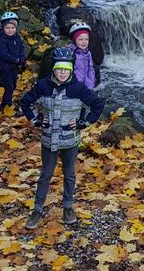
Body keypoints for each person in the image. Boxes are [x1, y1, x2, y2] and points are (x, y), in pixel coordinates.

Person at [20, 48, 104, 229]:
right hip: (49, 139)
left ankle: (68, 207)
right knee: (45, 175)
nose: (62, 73)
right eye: (59, 69)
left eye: (66, 69)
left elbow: (97, 105)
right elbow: (25, 102)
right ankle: (37, 209)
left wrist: (84, 122)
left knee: (69, 174)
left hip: (69, 140)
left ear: (71, 70)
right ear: (53, 69)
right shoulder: (43, 86)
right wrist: (35, 119)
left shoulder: (79, 89)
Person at [0, 11, 26, 111]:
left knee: (13, 86)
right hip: (5, 68)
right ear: (3, 28)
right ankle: (8, 106)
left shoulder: (17, 37)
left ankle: (3, 105)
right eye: (7, 28)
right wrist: (15, 59)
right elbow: (2, 54)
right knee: (8, 87)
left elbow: (21, 48)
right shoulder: (3, 40)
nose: (10, 30)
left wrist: (22, 58)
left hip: (14, 67)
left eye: (12, 28)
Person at [67, 21, 97, 90]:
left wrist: (91, 83)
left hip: (87, 86)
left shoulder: (88, 53)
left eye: (86, 39)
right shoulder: (70, 53)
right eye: (80, 39)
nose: (84, 42)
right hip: (74, 87)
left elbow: (91, 69)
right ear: (75, 40)